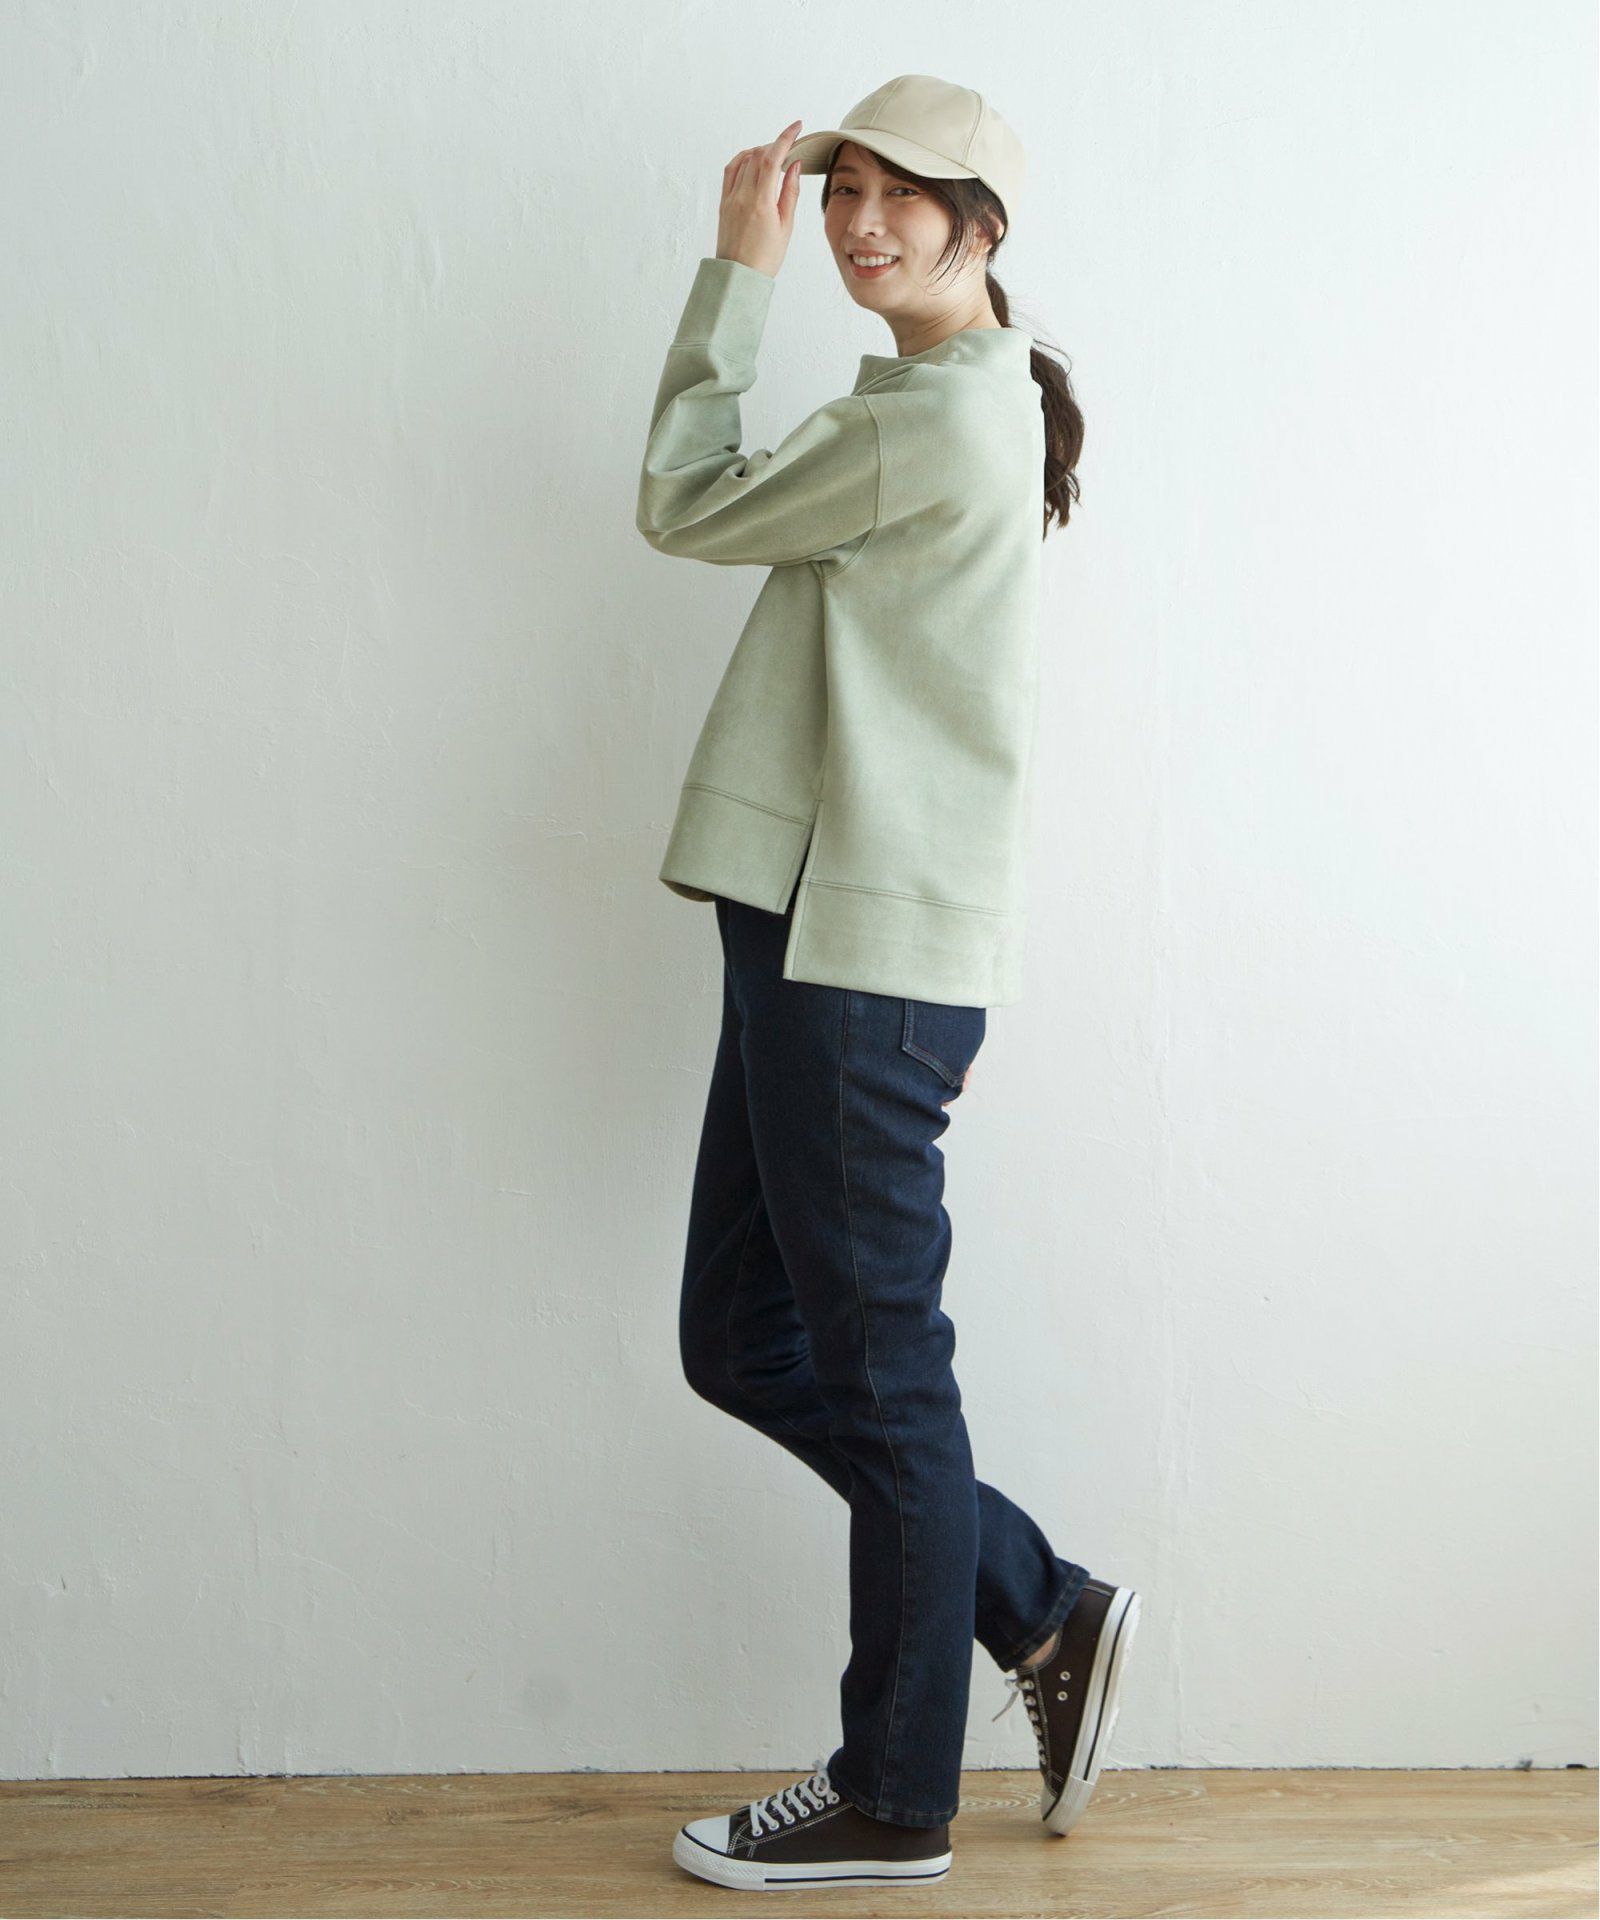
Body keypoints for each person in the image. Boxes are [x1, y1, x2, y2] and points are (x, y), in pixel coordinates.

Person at [635, 75, 1142, 1893]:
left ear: (980, 230)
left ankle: (895, 1798)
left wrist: (735, 272)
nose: (855, 224)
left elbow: (681, 503)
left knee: (880, 1380)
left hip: (855, 958)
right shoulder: (953, 404)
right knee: (743, 1339)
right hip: (826, 938)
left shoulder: (930, 424)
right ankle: (1035, 1602)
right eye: (836, 191)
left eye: (895, 200)